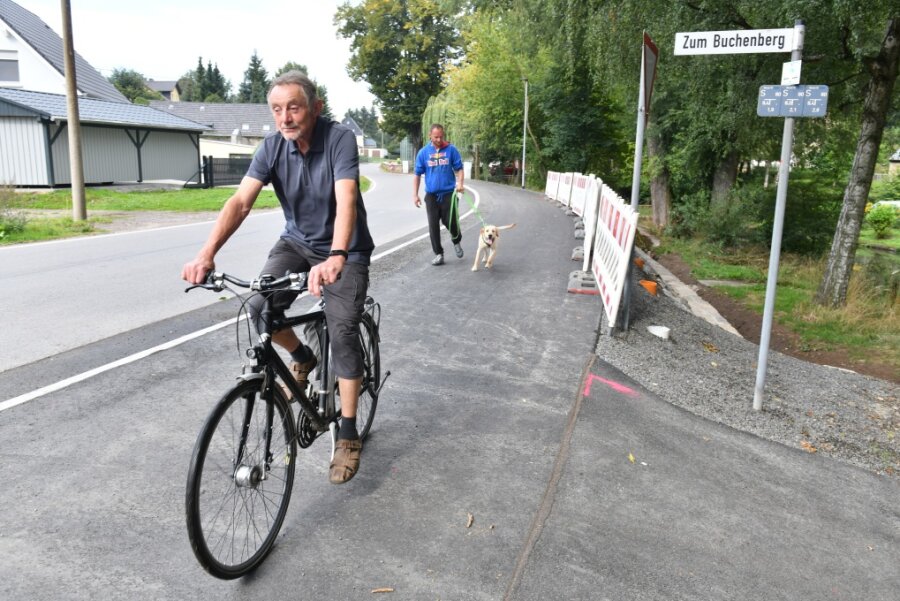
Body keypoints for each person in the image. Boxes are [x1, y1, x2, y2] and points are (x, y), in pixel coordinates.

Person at [181, 71, 374, 485]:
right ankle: (303, 358)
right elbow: (240, 202)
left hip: (347, 250)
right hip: (298, 245)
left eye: (294, 107)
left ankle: (348, 431)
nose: (285, 117)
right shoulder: (272, 148)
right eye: (277, 109)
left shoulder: (338, 139)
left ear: (315, 108)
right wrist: (206, 253)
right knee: (258, 305)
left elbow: (346, 200)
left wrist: (338, 255)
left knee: (342, 332)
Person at [413, 124, 465, 265]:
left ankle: (456, 240)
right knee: (433, 225)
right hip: (431, 195)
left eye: (441, 136)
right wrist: (415, 195)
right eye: (436, 136)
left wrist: (460, 183)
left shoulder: (451, 150)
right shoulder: (423, 153)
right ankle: (438, 254)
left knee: (450, 221)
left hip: (449, 193)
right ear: (430, 135)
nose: (439, 139)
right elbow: (417, 175)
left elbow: (459, 169)